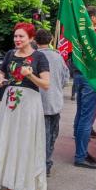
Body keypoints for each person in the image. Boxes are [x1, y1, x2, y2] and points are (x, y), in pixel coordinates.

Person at [0, 22, 50, 190]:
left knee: (25, 142)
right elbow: (1, 73)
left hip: (29, 104)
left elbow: (46, 85)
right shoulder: (10, 54)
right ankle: (9, 183)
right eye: (15, 36)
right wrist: (1, 80)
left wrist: (30, 75)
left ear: (31, 38)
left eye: (21, 36)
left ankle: (26, 187)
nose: (17, 39)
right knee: (9, 140)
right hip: (10, 103)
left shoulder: (39, 57)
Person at [73, 6, 96, 169]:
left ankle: (82, 151)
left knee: (81, 116)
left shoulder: (81, 32)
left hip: (80, 75)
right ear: (92, 17)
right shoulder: (92, 34)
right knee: (86, 118)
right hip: (90, 77)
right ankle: (80, 155)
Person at [35, 29, 68, 177]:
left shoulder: (34, 56)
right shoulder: (58, 57)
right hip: (55, 102)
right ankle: (46, 163)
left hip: (38, 102)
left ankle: (40, 164)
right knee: (51, 136)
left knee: (40, 136)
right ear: (50, 40)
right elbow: (65, 79)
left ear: (36, 41)